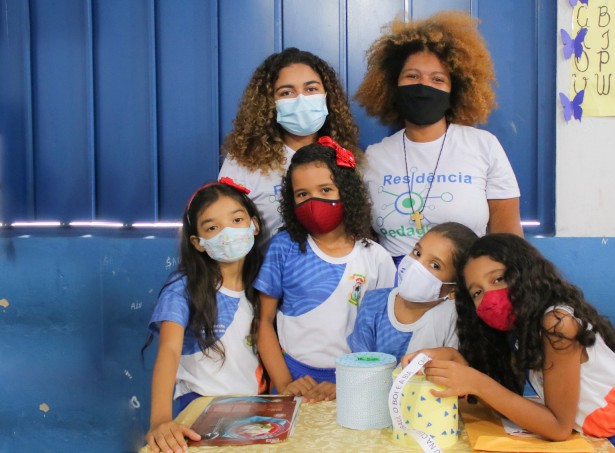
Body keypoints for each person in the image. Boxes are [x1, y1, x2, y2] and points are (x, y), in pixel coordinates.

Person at [405, 234, 615, 453]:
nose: (489, 295)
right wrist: (453, 358)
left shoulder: (557, 324)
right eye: (477, 292)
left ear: (525, 273)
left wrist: (476, 382)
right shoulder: (523, 333)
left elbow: (557, 426)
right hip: (602, 442)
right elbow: (508, 399)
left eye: (499, 279)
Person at [354, 11, 523, 265]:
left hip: (466, 284)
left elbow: (508, 238)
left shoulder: (483, 146)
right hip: (393, 285)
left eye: (438, 79)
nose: (423, 86)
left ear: (456, 90)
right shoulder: (374, 156)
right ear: (392, 85)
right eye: (412, 76)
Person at [255, 137, 396, 402]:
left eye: (326, 190)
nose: (313, 201)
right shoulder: (283, 247)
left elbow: (386, 338)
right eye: (302, 194)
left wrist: (352, 383)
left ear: (347, 191)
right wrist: (285, 383)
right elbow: (262, 322)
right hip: (294, 378)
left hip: (357, 383)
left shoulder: (376, 257)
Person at [145, 178, 265, 453]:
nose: (228, 232)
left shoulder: (263, 285)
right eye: (212, 227)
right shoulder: (182, 289)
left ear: (254, 225)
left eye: (237, 220)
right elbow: (169, 350)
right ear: (198, 243)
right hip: (201, 411)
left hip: (256, 412)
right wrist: (160, 421)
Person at [220, 47, 362, 239]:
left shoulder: (345, 157)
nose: (301, 99)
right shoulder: (243, 161)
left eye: (311, 89)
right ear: (269, 102)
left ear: (327, 95)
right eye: (287, 92)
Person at [347, 222, 478, 362]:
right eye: (417, 253)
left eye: (435, 265)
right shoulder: (373, 302)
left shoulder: (453, 318)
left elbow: (455, 369)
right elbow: (359, 364)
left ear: (454, 289)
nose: (416, 265)